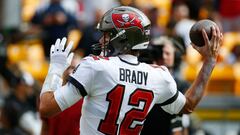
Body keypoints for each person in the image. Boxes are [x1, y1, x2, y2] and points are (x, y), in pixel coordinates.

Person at [39, 6, 223, 135]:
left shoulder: (95, 66)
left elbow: (46, 108)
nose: (102, 41)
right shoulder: (159, 76)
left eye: (107, 35)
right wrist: (210, 60)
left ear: (122, 39)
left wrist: (55, 68)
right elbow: (188, 105)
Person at [139, 36, 190, 135]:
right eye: (159, 53)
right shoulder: (145, 80)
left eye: (167, 53)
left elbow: (180, 122)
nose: (163, 57)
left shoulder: (181, 85)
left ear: (175, 55)